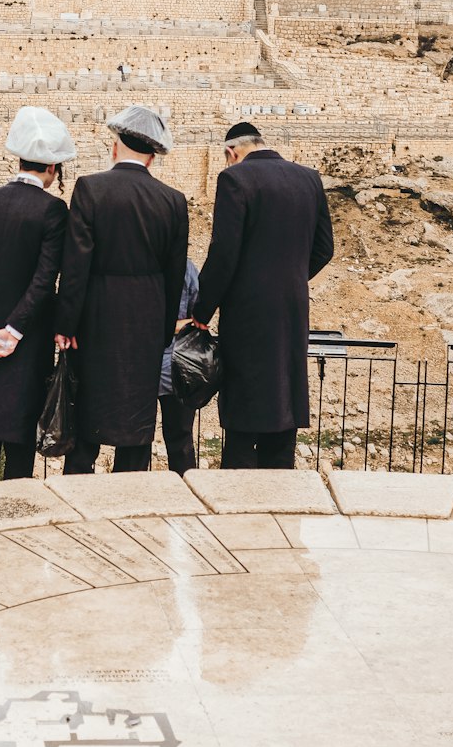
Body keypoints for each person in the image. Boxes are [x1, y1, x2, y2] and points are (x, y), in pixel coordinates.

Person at [55, 105, 189, 474]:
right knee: (135, 430)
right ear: (152, 155)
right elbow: (174, 276)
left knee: (86, 428)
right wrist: (162, 332)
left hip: (95, 324)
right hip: (145, 327)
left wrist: (66, 325)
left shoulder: (90, 189)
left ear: (116, 146)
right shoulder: (173, 202)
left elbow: (75, 267)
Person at [192, 122, 334, 470]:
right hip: (291, 310)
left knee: (244, 412)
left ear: (231, 152)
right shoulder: (308, 178)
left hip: (247, 313)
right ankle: (280, 494)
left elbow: (224, 253)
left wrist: (202, 311)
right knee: (283, 401)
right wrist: (291, 278)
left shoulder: (235, 179)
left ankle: (241, 504)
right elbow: (324, 249)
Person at [0, 107, 74, 483]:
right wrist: (16, 329)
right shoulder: (53, 211)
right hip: (28, 340)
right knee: (22, 433)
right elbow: (44, 279)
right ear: (52, 169)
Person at [158, 257, 201, 476]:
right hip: (179, 365)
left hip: (143, 364)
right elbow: (199, 315)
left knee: (133, 443)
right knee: (181, 440)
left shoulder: (139, 264)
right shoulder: (186, 268)